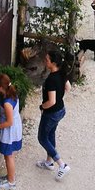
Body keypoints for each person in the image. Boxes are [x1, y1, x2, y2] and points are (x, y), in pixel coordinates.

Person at [35, 50, 70, 180]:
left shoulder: (51, 79)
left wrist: (41, 106)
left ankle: (61, 164)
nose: (45, 61)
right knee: (50, 134)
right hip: (60, 110)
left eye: (47, 60)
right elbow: (68, 88)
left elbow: (51, 101)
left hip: (51, 113)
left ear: (53, 63)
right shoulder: (62, 73)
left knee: (42, 138)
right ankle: (49, 162)